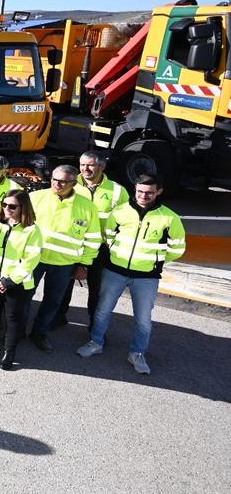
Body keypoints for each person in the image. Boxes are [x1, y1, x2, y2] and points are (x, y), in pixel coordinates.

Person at [77, 175, 186, 375]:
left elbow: (178, 248)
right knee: (102, 310)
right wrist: (118, 254)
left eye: (149, 192)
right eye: (140, 191)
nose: (144, 196)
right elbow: (108, 236)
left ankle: (137, 353)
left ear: (159, 191)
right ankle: (96, 342)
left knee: (143, 319)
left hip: (147, 277)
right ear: (135, 189)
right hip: (115, 271)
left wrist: (154, 261)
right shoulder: (119, 212)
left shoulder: (170, 218)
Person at [27, 165, 100, 353]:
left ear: (74, 183)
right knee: (24, 297)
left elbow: (92, 239)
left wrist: (84, 264)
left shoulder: (87, 207)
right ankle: (15, 331)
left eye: (62, 181)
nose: (56, 184)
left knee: (52, 301)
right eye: (54, 179)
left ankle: (39, 333)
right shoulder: (35, 198)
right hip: (33, 259)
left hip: (64, 264)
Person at [56, 151, 128, 328]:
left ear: (102, 166)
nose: (85, 169)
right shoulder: (70, 184)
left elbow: (126, 220)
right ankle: (58, 317)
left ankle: (95, 325)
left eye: (90, 165)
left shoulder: (118, 191)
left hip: (100, 248)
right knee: (64, 285)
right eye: (82, 165)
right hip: (71, 244)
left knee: (97, 289)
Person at [0, 189, 42, 370]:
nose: (7, 209)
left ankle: (9, 353)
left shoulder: (32, 230)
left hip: (16, 284)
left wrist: (8, 282)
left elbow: (31, 260)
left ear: (23, 208)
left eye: (12, 206)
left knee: (13, 319)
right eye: (4, 205)